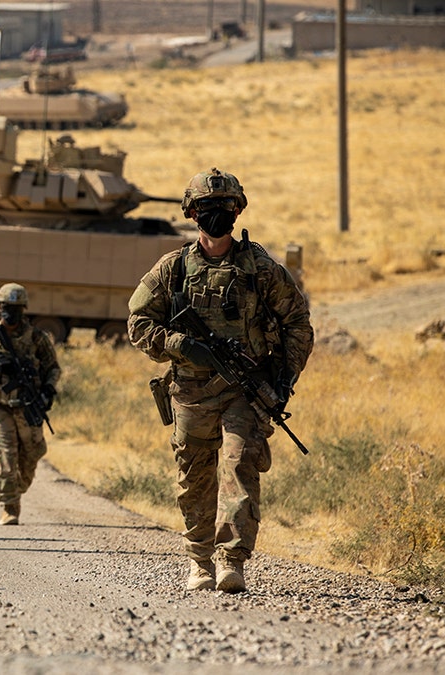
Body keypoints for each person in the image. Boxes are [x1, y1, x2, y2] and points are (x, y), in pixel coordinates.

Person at [127, 168, 313, 593]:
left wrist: (283, 375)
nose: (217, 215)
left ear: (238, 210)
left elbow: (298, 324)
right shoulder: (173, 268)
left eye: (225, 207)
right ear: (192, 213)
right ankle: (199, 560)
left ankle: (232, 560)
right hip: (191, 392)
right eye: (207, 208)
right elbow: (138, 323)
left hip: (244, 392)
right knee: (195, 477)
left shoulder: (260, 268)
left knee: (239, 464)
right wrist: (179, 345)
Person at [0, 283, 61, 526]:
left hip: (28, 405)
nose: (11, 312)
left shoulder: (37, 338)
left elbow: (52, 368)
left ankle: (14, 489)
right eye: (7, 307)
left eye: (16, 308)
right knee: (7, 456)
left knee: (31, 455)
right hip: (0, 406)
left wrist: (49, 389)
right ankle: (10, 507)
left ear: (24, 309)